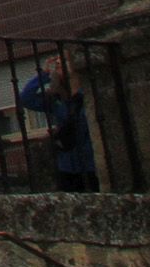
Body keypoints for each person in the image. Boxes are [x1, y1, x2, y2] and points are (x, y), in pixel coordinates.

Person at [17, 51, 96, 191]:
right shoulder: (56, 99)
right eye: (57, 61)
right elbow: (26, 98)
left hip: (91, 162)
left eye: (63, 60)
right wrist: (45, 74)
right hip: (67, 165)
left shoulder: (88, 95)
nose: (58, 63)